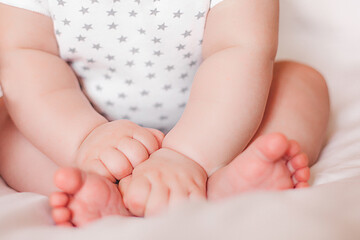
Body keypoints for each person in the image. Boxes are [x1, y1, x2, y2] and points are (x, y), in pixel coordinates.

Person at [0, 0, 329, 227]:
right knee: (9, 118)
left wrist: (188, 156)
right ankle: (95, 189)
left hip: (224, 124)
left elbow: (239, 50)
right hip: (79, 126)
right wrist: (83, 138)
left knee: (300, 85)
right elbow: (27, 60)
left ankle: (218, 182)